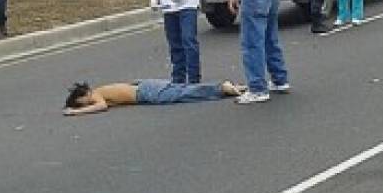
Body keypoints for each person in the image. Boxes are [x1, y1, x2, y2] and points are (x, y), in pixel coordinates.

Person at [63, 79, 248, 115]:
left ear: (84, 95)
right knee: (184, 90)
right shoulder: (101, 90)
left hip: (145, 92)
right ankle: (227, 88)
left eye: (82, 103)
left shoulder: (96, 95)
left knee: (183, 94)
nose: (85, 105)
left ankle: (221, 88)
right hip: (144, 86)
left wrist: (75, 112)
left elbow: (101, 106)